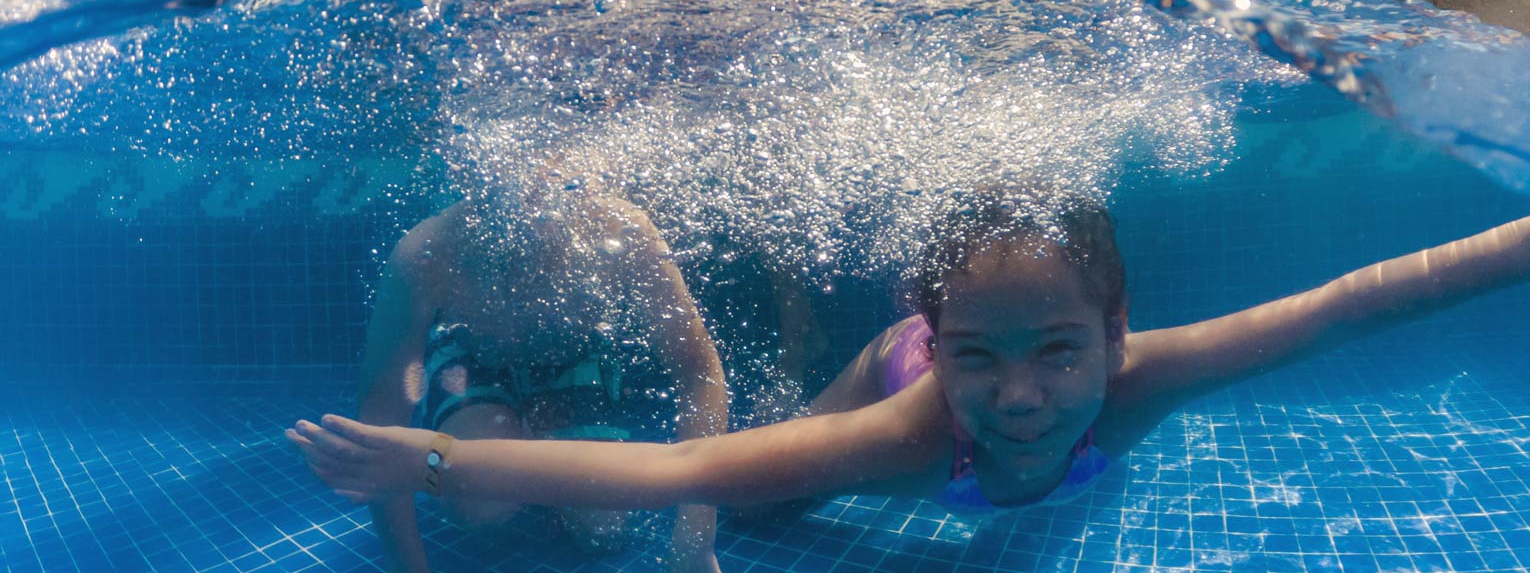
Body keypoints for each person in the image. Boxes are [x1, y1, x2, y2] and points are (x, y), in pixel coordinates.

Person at [289, 188, 1530, 527]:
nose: (1024, 396)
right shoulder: (915, 422)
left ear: (1115, 330)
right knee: (765, 496)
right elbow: (680, 476)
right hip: (874, 376)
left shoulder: (1156, 369)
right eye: (981, 358)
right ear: (941, 346)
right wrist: (443, 454)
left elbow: (1363, 298)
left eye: (1060, 350)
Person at [347, 166, 727, 573]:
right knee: (475, 507)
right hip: (471, 359)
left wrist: (695, 543)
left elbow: (698, 373)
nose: (533, 184)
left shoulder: (623, 230)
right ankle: (495, 428)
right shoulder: (429, 251)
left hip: (577, 358)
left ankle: (535, 434)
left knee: (604, 528)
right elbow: (382, 422)